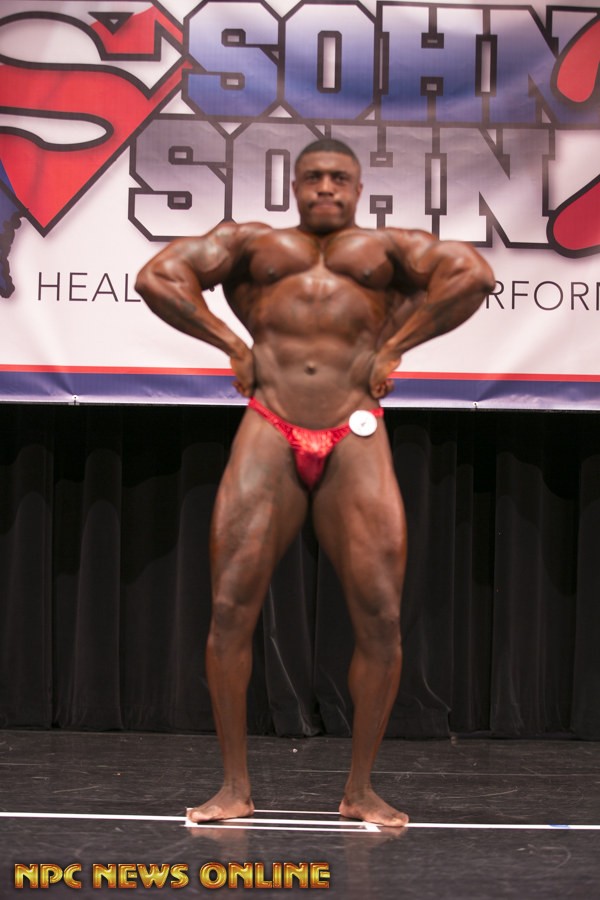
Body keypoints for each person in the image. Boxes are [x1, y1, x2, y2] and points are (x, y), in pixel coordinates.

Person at [135, 138, 495, 828]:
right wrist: (231, 343)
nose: (326, 186)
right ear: (294, 186)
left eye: (339, 177)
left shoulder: (388, 250)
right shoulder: (252, 244)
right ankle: (233, 787)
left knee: (381, 617)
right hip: (269, 427)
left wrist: (394, 346)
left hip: (354, 432)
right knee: (231, 608)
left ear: (359, 188)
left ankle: (360, 790)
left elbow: (473, 275)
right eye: (313, 177)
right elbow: (158, 276)